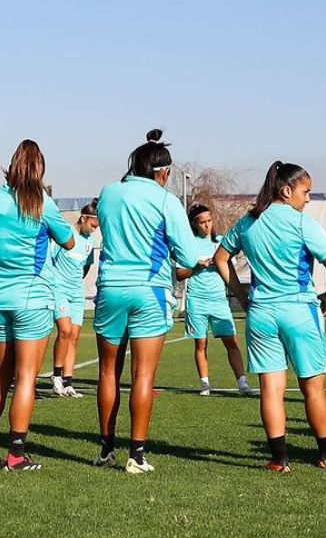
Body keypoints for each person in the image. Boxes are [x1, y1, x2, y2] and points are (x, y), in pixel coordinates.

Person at [215, 161, 326, 473]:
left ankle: (279, 460)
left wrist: (240, 294)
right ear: (286, 190)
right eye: (306, 192)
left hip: (261, 314)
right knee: (313, 388)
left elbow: (220, 259)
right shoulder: (301, 222)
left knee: (270, 389)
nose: (308, 198)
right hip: (300, 311)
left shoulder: (247, 222)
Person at [93, 130, 201, 474]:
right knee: (144, 374)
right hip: (148, 291)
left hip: (110, 287)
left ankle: (106, 448)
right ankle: (136, 455)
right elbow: (186, 255)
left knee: (108, 371)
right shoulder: (165, 199)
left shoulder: (109, 192)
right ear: (163, 173)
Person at [0, 140, 75, 471]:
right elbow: (69, 240)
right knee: (27, 376)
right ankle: (16, 452)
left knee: (0, 375)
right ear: (39, 169)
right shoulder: (40, 202)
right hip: (32, 298)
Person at [178, 203, 254, 397]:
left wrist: (219, 262)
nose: (207, 225)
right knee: (201, 343)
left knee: (231, 341)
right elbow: (179, 274)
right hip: (197, 300)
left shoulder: (220, 241)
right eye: (202, 222)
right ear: (194, 224)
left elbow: (230, 267)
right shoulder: (188, 244)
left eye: (209, 221)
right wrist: (196, 266)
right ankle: (205, 384)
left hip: (219, 300)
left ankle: (243, 383)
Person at [50, 199, 99, 398]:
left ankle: (68, 382)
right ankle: (56, 375)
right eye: (92, 225)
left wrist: (76, 280)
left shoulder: (91, 242)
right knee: (64, 331)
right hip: (58, 290)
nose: (93, 230)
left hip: (76, 293)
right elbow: (50, 259)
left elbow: (87, 265)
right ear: (84, 217)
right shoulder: (65, 235)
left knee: (74, 336)